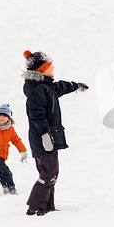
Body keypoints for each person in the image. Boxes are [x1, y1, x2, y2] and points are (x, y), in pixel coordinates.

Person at [22, 50, 88, 216]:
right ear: (41, 69)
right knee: (49, 173)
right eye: (50, 65)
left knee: (50, 172)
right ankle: (34, 206)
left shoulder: (46, 87)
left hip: (48, 137)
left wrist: (75, 86)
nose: (53, 67)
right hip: (43, 138)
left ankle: (47, 206)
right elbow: (35, 115)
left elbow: (59, 87)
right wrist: (45, 134)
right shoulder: (38, 90)